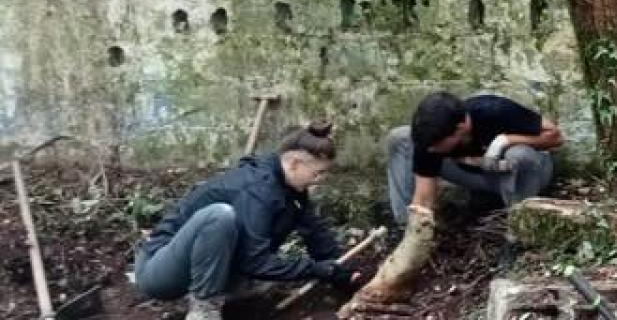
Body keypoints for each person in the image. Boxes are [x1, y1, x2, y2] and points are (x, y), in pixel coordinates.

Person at [133, 122, 361, 319]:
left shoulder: (289, 186)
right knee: (219, 216)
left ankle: (231, 291)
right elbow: (256, 262)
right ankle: (204, 310)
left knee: (266, 278)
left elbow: (314, 229)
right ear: (294, 164)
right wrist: (316, 269)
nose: (320, 180)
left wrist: (340, 270)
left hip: (208, 268)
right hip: (159, 272)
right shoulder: (257, 189)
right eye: (317, 173)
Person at [384, 91, 562, 226]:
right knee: (400, 137)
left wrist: (505, 140)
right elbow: (424, 194)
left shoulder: (494, 110)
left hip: (529, 175)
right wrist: (419, 224)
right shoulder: (432, 138)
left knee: (519, 154)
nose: (434, 149)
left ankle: (520, 227)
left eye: (439, 143)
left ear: (462, 127)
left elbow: (556, 137)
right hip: (479, 176)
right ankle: (405, 231)